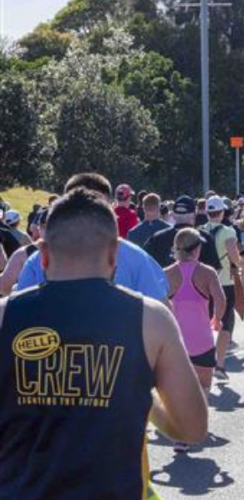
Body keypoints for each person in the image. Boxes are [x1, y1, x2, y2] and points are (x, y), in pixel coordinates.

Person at [0, 188, 207, 500]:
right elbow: (192, 428)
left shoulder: (5, 317)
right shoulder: (151, 319)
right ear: (114, 255)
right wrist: (137, 392)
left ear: (42, 253)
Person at [17, 173, 168, 302]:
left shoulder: (136, 259)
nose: (86, 213)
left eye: (94, 206)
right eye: (79, 206)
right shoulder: (36, 260)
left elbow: (161, 310)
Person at [164, 228, 226, 452]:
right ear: (196, 249)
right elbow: (221, 300)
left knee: (177, 388)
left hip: (175, 341)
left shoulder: (166, 273)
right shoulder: (207, 272)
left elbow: (157, 303)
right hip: (201, 339)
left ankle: (180, 433)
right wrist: (216, 319)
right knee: (203, 386)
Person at [201, 196, 244, 379]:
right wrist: (239, 264)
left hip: (203, 283)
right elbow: (234, 256)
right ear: (222, 212)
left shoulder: (200, 230)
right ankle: (219, 365)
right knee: (226, 322)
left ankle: (204, 361)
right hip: (224, 281)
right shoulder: (228, 231)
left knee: (206, 321)